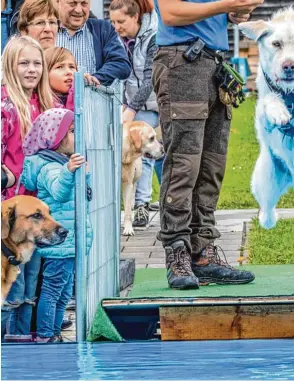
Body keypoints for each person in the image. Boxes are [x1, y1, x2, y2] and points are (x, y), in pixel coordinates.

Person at [152, 0, 263, 289]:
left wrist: (237, 12)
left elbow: (223, 14)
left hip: (214, 62)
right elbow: (171, 14)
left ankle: (203, 253)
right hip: (182, 62)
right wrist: (226, 6)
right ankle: (177, 253)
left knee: (210, 166)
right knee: (183, 165)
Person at [20, 108, 93, 343]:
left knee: (62, 294)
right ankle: (45, 334)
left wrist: (84, 174)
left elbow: (82, 193)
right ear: (55, 137)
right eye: (71, 131)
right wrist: (69, 170)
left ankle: (53, 333)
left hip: (67, 242)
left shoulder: (58, 162)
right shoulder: (49, 167)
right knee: (53, 292)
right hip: (59, 243)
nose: (77, 136)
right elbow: (60, 193)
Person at [0, 36, 54, 342]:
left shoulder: (43, 102)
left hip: (37, 207)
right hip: (11, 211)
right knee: (9, 285)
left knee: (30, 280)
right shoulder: (5, 106)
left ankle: (24, 339)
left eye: (37, 63)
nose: (32, 70)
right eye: (24, 63)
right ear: (10, 65)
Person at [109, 0, 162, 228]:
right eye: (112, 22)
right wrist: (124, 103)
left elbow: (151, 78)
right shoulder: (120, 40)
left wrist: (131, 109)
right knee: (151, 152)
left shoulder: (153, 37)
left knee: (153, 151)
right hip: (136, 102)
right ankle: (151, 204)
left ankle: (154, 204)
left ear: (136, 18)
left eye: (120, 21)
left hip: (158, 101)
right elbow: (122, 75)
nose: (116, 27)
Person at [55, 0, 131, 86]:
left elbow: (121, 64)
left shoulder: (103, 29)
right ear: (57, 2)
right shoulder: (46, 30)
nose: (79, 10)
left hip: (92, 98)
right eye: (73, 3)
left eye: (84, 4)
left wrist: (93, 79)